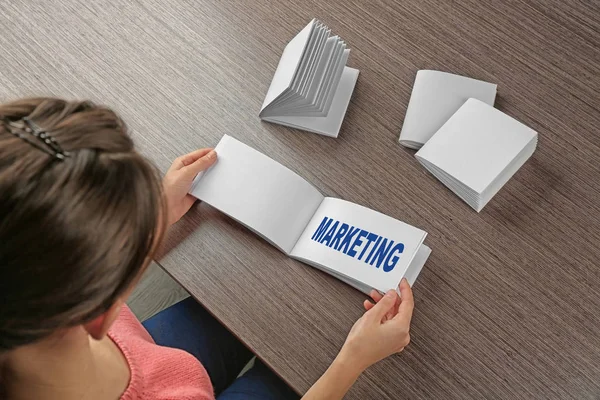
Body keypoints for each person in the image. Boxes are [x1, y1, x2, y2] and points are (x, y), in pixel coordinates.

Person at [0, 98, 414, 400]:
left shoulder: (25, 305)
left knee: (233, 312)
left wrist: (155, 215)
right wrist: (353, 361)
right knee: (289, 372)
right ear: (95, 310)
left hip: (144, 353)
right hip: (168, 382)